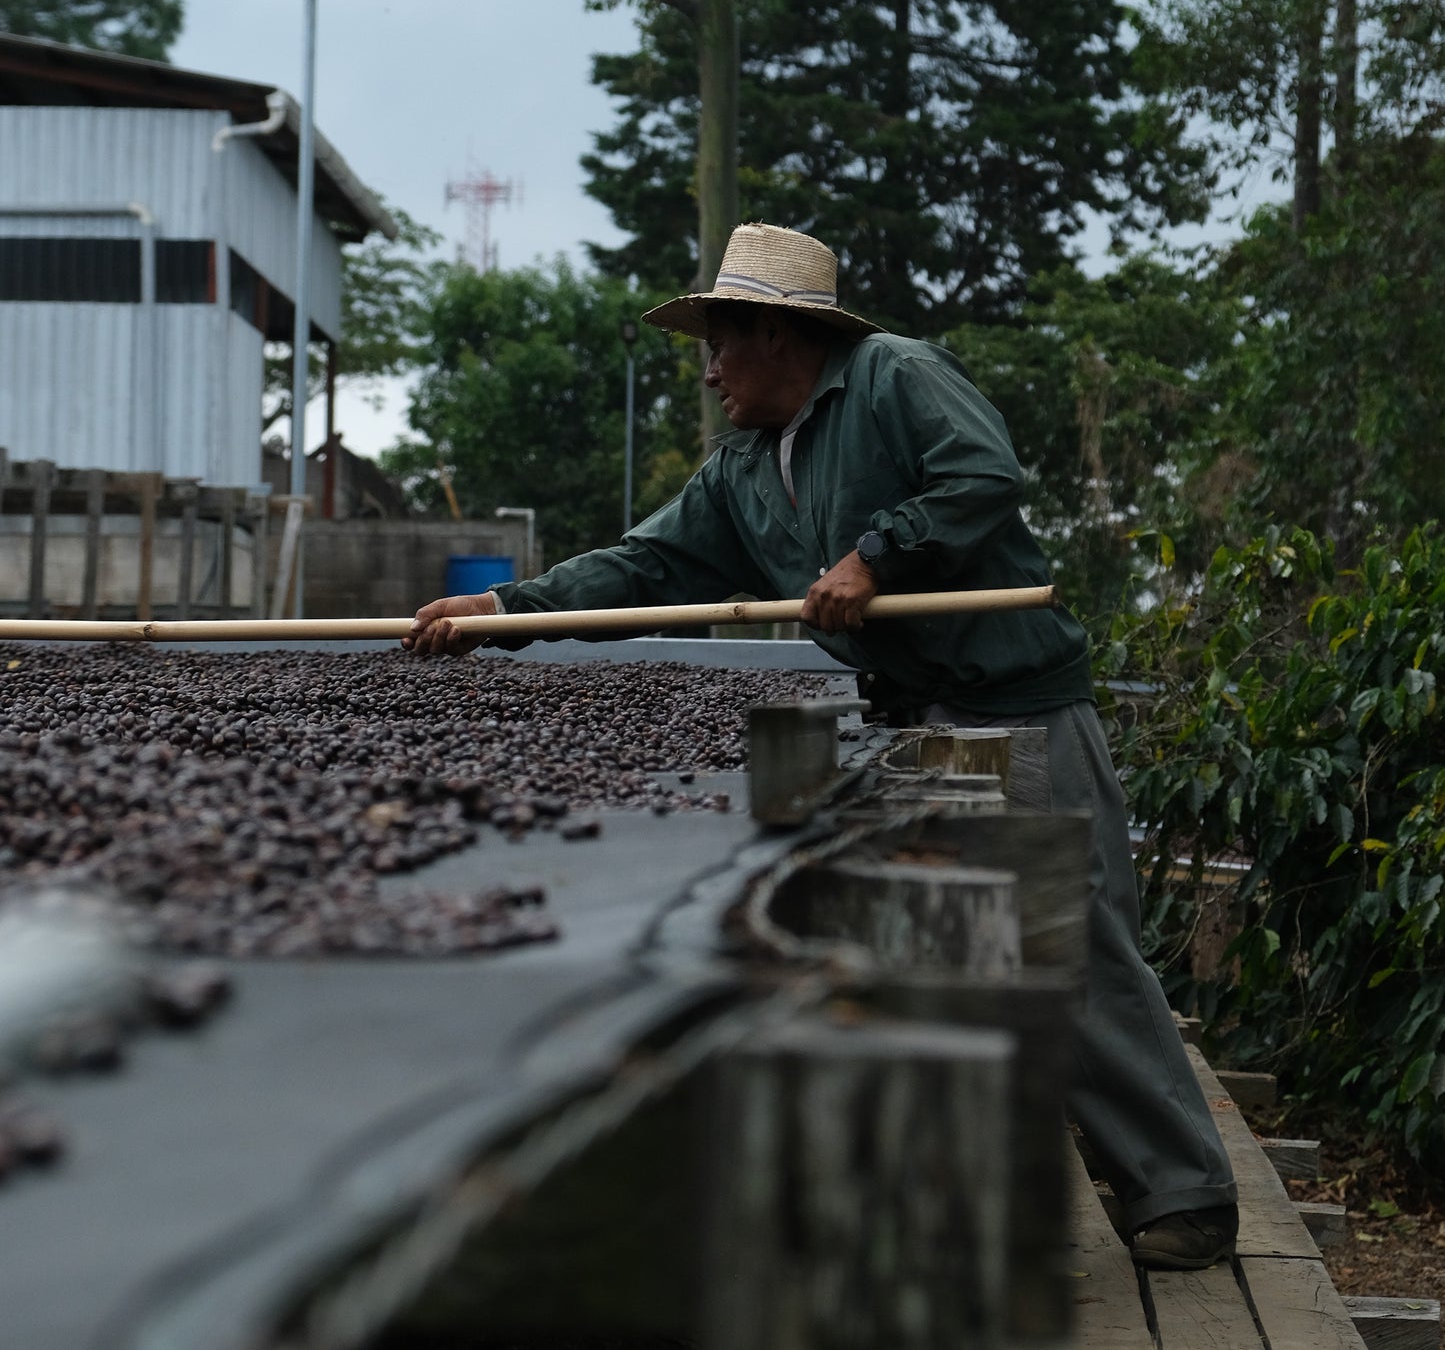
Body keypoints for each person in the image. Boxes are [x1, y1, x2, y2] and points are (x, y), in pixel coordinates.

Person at [404, 222, 1238, 1269]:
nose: (707, 372)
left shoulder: (893, 376)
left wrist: (873, 556)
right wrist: (503, 608)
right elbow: (646, 562)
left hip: (1012, 712)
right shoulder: (747, 465)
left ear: (773, 334)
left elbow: (981, 478)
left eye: (717, 343)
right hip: (913, 720)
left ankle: (1183, 1189)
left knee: (1067, 946)